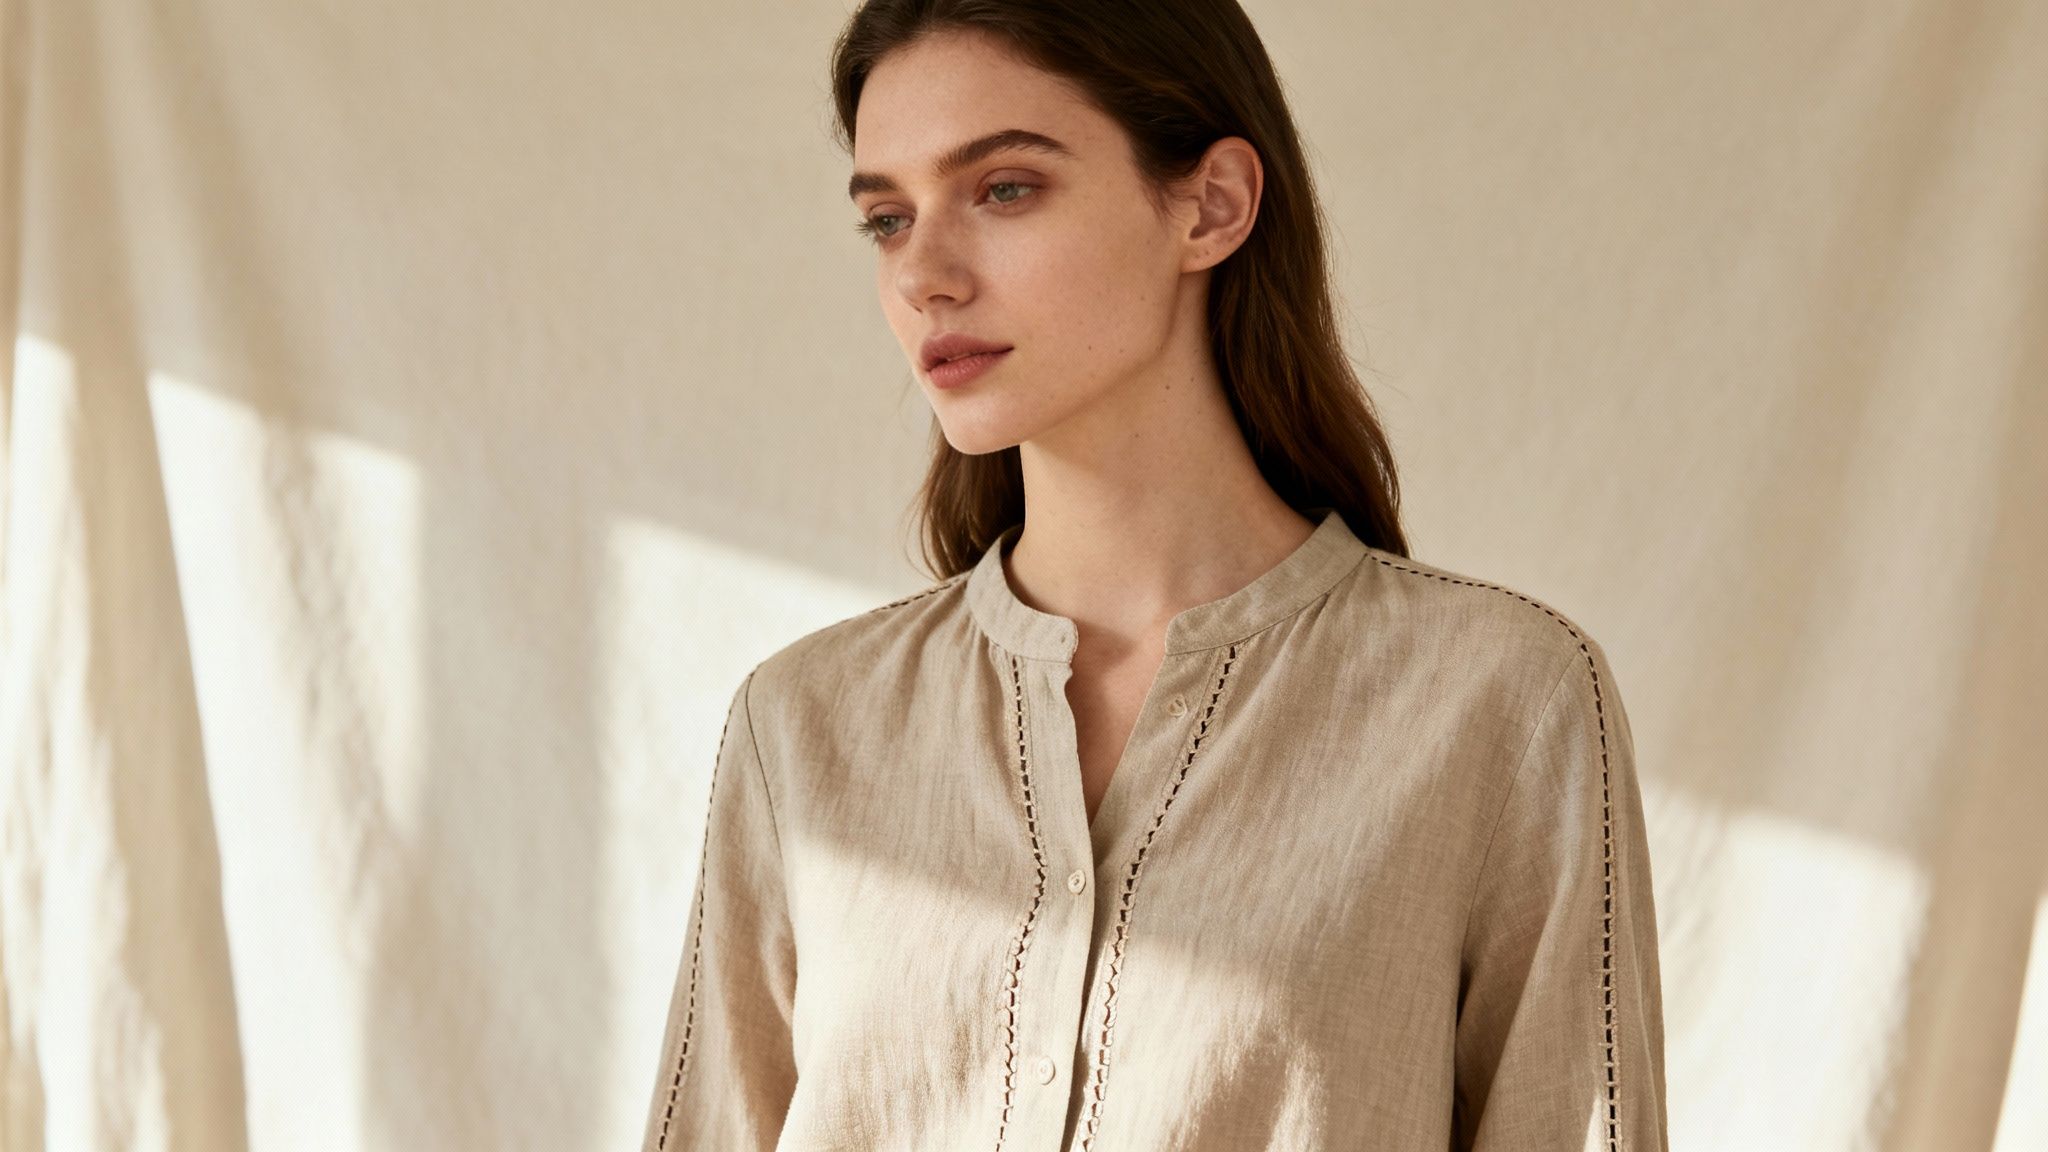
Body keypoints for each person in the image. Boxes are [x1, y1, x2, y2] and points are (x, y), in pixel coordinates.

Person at [642, 1, 1669, 1149]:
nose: (923, 274)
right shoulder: (804, 727)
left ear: (1210, 205)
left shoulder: (1496, 702)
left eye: (1003, 190)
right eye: (886, 219)